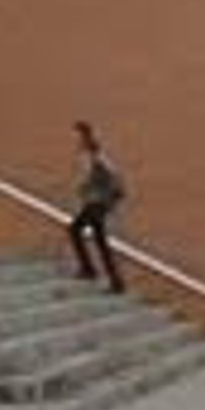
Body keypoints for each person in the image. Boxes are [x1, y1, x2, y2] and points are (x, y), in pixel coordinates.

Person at [67, 120, 126, 293]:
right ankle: (113, 280)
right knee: (98, 240)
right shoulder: (93, 158)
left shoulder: (97, 159)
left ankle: (92, 271)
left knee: (76, 230)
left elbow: (114, 181)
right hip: (95, 203)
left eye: (79, 139)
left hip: (98, 204)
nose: (77, 144)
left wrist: (106, 199)